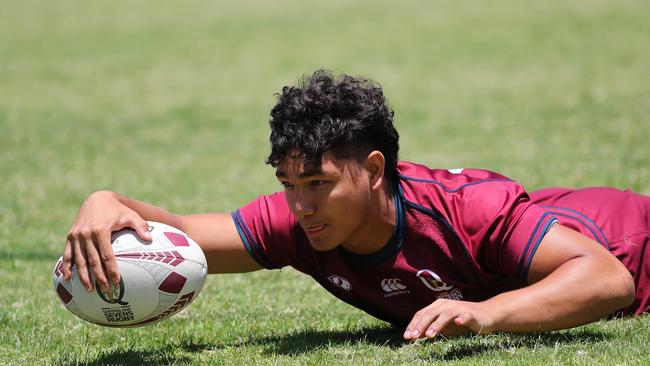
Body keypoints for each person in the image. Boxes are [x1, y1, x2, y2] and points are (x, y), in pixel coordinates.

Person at [61, 70, 648, 340]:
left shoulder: (468, 209)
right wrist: (106, 200)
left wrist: (488, 314)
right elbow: (187, 233)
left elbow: (607, 278)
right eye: (288, 183)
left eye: (316, 183)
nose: (300, 204)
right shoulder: (298, 221)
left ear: (373, 170)